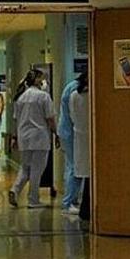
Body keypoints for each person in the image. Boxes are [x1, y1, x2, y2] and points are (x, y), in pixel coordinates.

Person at [8, 69, 59, 209]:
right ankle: (33, 200)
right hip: (39, 137)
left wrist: (15, 138)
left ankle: (15, 190)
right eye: (43, 78)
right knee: (37, 170)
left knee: (25, 168)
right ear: (37, 80)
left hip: (24, 137)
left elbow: (16, 120)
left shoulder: (21, 97)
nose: (45, 81)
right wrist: (56, 133)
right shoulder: (43, 97)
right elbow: (50, 118)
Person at [57, 75, 83, 213]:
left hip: (66, 130)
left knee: (70, 166)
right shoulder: (75, 89)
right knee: (75, 166)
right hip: (71, 130)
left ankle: (71, 199)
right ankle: (68, 202)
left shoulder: (70, 85)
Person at [66, 73, 90, 216]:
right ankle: (82, 206)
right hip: (87, 136)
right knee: (87, 173)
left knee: (83, 171)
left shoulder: (74, 95)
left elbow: (72, 115)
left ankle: (82, 207)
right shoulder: (91, 95)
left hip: (79, 134)